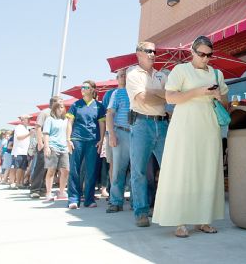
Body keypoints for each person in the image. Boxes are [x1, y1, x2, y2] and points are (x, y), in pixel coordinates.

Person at [153, 35, 227, 237]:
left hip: (209, 125)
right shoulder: (180, 70)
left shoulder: (217, 74)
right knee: (184, 170)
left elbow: (226, 104)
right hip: (185, 125)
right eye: (201, 54)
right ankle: (180, 221)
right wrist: (198, 92)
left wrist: (218, 96)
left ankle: (204, 220)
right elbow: (170, 97)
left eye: (209, 55)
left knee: (207, 170)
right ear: (192, 52)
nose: (205, 58)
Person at [126, 41, 169, 227]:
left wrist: (155, 93)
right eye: (148, 51)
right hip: (141, 123)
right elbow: (142, 98)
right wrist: (161, 95)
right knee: (139, 171)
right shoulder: (133, 74)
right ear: (138, 53)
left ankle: (169, 210)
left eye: (154, 51)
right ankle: (141, 212)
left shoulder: (161, 75)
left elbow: (171, 96)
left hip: (162, 123)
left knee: (169, 169)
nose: (152, 54)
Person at [65, 80, 106, 209]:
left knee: (91, 170)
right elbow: (69, 122)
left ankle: (89, 199)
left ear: (92, 90)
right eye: (82, 87)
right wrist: (68, 139)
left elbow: (102, 124)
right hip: (77, 139)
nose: (83, 89)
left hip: (93, 141)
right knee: (74, 170)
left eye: (86, 87)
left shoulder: (99, 107)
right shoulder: (76, 105)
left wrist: (102, 140)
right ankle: (73, 199)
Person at [105, 68, 131, 213]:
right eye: (120, 76)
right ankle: (115, 201)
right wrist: (112, 135)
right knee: (118, 170)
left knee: (137, 171)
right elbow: (109, 114)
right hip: (121, 132)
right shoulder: (116, 93)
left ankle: (136, 202)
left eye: (125, 75)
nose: (123, 77)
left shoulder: (136, 91)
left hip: (137, 133)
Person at [30, 96, 61, 199]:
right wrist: (40, 143)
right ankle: (35, 189)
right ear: (53, 103)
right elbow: (38, 127)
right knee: (40, 167)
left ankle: (43, 189)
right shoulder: (45, 113)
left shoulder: (58, 114)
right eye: (60, 102)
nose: (62, 104)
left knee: (49, 168)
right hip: (44, 144)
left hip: (54, 144)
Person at [43, 99, 69, 201]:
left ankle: (61, 192)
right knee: (51, 170)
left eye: (62, 107)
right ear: (54, 109)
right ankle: (48, 193)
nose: (60, 109)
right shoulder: (50, 119)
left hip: (64, 147)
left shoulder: (66, 120)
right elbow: (46, 134)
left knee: (66, 170)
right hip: (53, 146)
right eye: (58, 107)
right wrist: (46, 146)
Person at [10, 116, 33, 189]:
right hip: (18, 151)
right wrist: (29, 134)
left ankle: (20, 183)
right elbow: (19, 137)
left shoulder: (25, 128)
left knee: (22, 168)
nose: (29, 120)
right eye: (28, 119)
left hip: (24, 152)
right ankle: (15, 183)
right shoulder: (19, 127)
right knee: (17, 168)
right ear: (23, 120)